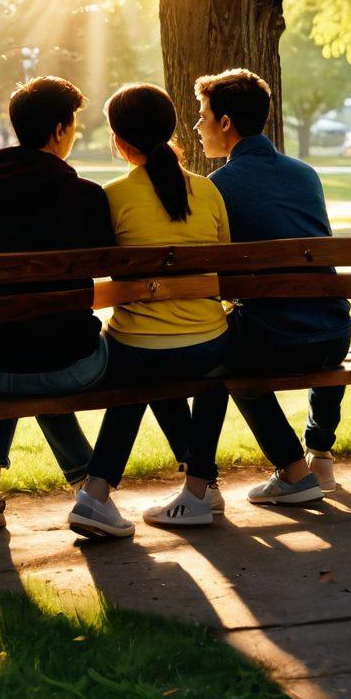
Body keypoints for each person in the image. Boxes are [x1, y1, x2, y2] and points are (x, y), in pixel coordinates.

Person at [68, 83, 232, 539]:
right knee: (199, 364)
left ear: (119, 141)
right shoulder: (208, 192)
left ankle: (95, 493)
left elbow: (99, 274)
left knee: (141, 365)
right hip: (208, 342)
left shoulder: (114, 196)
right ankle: (200, 488)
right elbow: (223, 267)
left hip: (138, 349)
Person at [0, 76, 115, 529]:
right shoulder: (84, 195)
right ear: (60, 129)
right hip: (68, 363)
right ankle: (90, 491)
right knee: (49, 364)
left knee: (20, 351)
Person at [194, 68, 351, 505]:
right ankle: (320, 455)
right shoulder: (305, 174)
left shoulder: (218, 186)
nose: (197, 126)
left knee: (221, 361)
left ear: (225, 123)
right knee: (307, 317)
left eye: (203, 115)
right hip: (336, 332)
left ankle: (292, 471)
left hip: (276, 338)